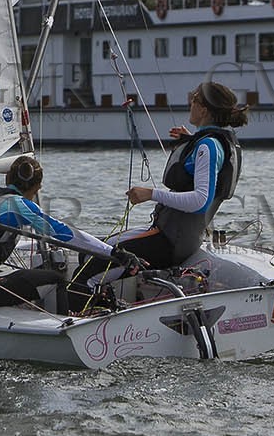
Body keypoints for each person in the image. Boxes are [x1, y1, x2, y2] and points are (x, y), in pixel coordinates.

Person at [67, 82, 246, 312]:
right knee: (99, 248)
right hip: (171, 233)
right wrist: (189, 139)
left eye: (194, 100)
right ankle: (103, 307)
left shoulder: (208, 147)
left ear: (203, 110)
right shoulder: (208, 142)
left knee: (88, 271)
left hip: (172, 242)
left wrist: (150, 194)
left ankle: (77, 323)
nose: (189, 104)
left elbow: (200, 201)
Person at [0, 155, 125, 314]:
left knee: (24, 277)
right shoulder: (16, 205)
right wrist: (112, 252)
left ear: (7, 179)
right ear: (37, 186)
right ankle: (63, 327)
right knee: (55, 281)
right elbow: (62, 232)